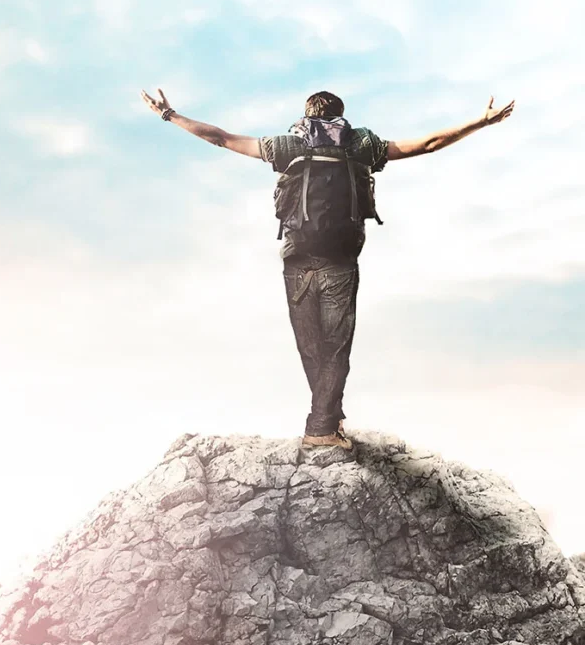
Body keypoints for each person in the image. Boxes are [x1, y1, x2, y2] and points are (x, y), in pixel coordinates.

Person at [140, 87, 515, 449]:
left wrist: (169, 115)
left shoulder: (287, 145)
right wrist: (479, 123)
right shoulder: (360, 146)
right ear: (341, 116)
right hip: (340, 258)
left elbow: (220, 138)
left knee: (311, 345)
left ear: (305, 117)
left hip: (297, 255)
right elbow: (427, 144)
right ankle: (322, 426)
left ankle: (327, 418)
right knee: (336, 346)